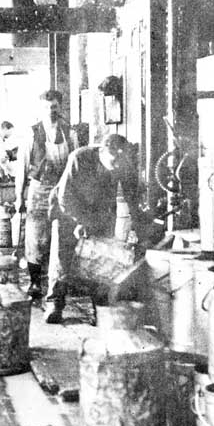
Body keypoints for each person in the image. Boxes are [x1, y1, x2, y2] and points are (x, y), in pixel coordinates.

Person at [44, 133, 146, 323]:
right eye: (113, 161)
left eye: (120, 162)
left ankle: (99, 309)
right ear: (102, 151)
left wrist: (139, 230)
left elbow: (132, 199)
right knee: (62, 257)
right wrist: (81, 222)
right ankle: (54, 303)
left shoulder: (122, 163)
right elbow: (65, 197)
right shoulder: (79, 157)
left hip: (98, 211)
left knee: (101, 259)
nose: (117, 166)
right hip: (67, 209)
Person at [14, 90, 76, 296]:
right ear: (40, 109)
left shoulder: (70, 132)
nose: (51, 111)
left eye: (54, 107)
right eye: (47, 107)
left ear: (60, 108)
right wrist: (18, 198)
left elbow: (76, 164)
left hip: (63, 189)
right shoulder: (31, 133)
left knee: (63, 235)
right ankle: (34, 283)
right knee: (35, 237)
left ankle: (59, 283)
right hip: (39, 189)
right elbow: (22, 168)